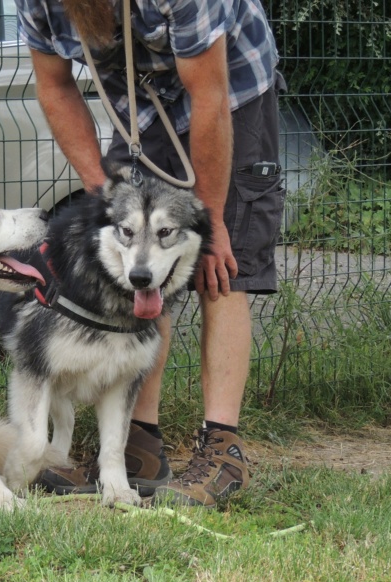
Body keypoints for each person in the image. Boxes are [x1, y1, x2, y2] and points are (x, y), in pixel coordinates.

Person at [18, 0, 286, 506]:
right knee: (131, 269)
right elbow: (54, 85)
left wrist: (209, 225)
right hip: (139, 111)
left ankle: (222, 452)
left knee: (220, 270)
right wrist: (103, 193)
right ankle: (137, 447)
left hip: (229, 97)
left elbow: (208, 96)